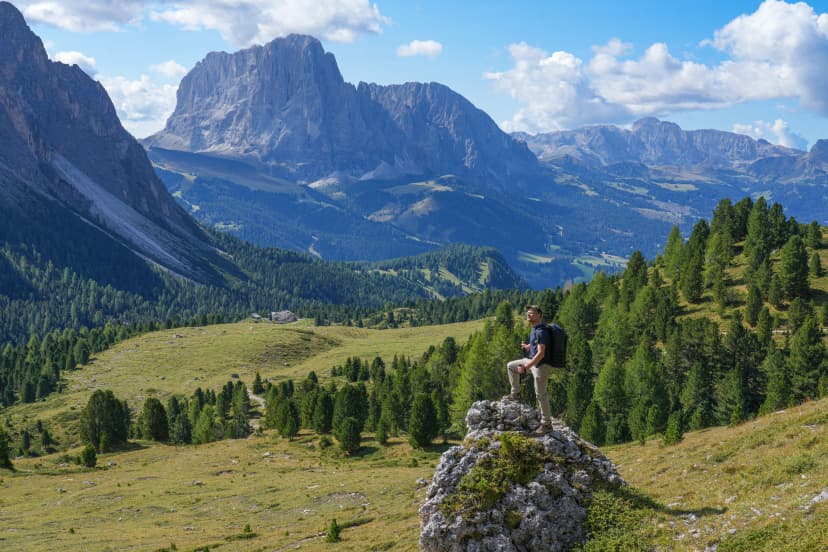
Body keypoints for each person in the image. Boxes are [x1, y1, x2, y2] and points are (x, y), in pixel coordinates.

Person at [503, 304, 553, 433]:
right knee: (511, 366)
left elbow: (541, 353)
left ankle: (547, 424)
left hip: (541, 366)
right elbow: (537, 344)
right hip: (531, 361)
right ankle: (516, 394)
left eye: (531, 313)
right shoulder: (535, 329)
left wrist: (526, 367)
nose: (528, 315)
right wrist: (528, 346)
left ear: (539, 315)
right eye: (528, 313)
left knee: (541, 395)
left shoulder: (542, 331)